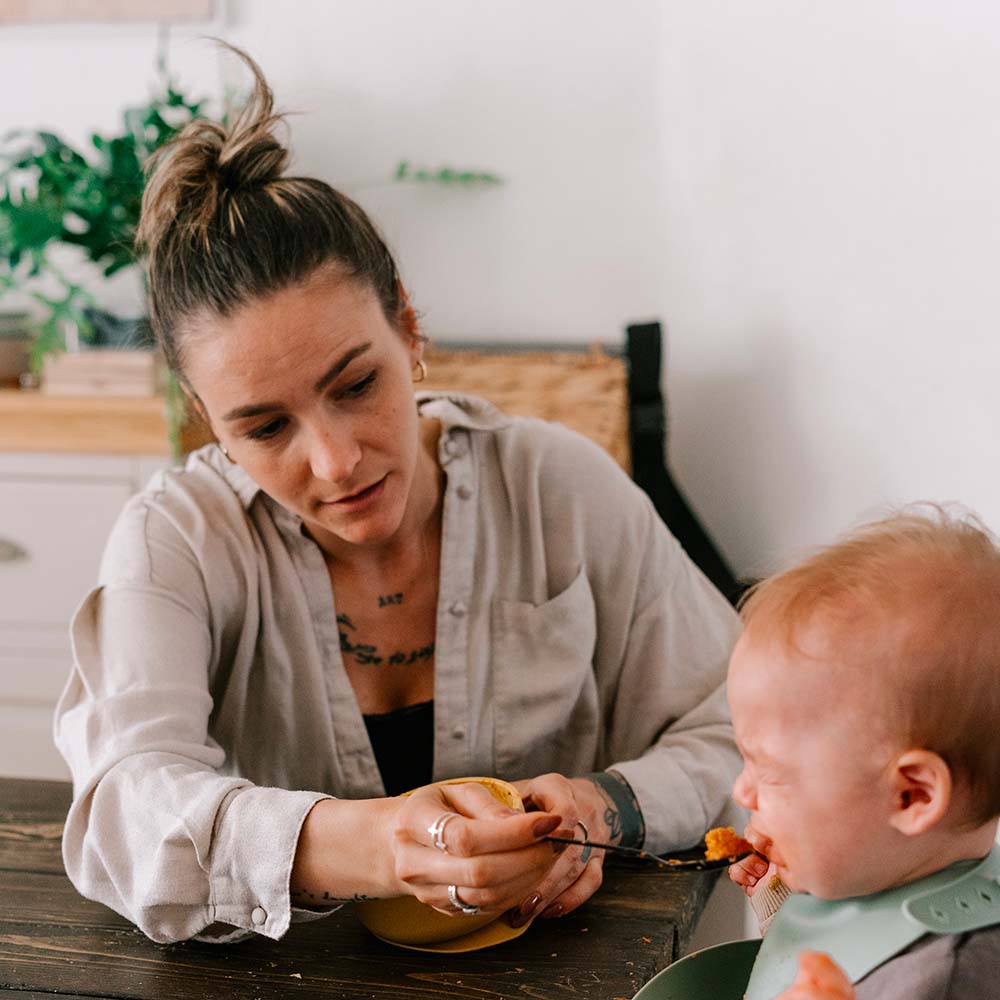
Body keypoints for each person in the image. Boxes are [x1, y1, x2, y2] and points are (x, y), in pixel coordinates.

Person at [53, 45, 741, 946]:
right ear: (204, 420)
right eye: (265, 428)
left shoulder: (555, 483)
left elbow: (740, 729)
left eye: (354, 385)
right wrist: (373, 844)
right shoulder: (174, 540)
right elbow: (125, 809)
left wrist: (609, 806)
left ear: (409, 329)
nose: (336, 462)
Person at [725, 507, 1000, 999]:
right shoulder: (886, 871)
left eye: (771, 772)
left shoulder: (952, 976)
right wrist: (786, 904)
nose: (741, 789)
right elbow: (856, 946)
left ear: (910, 796)